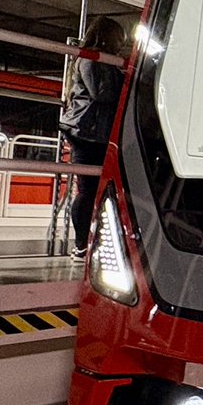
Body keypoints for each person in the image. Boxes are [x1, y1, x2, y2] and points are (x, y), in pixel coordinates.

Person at [59, 16, 127, 257]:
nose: (121, 44)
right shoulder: (91, 59)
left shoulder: (100, 60)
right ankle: (82, 244)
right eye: (119, 38)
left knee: (92, 190)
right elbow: (102, 93)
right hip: (87, 132)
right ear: (107, 37)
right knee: (87, 191)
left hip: (93, 132)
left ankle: (87, 243)